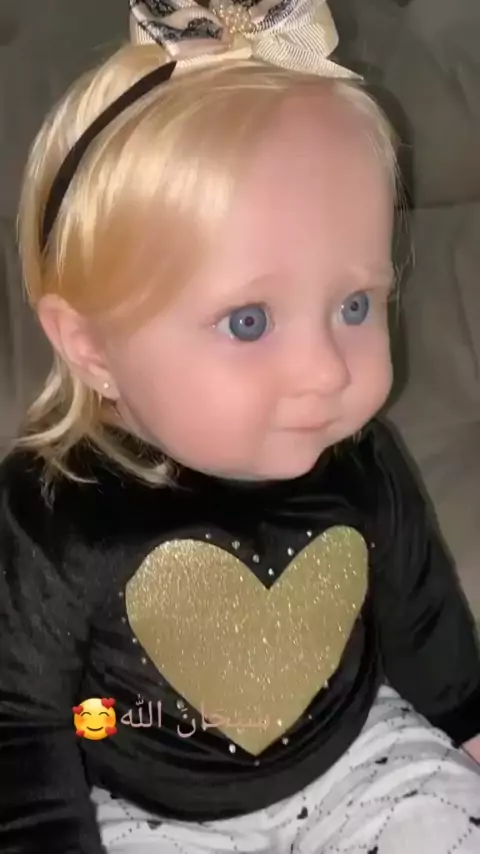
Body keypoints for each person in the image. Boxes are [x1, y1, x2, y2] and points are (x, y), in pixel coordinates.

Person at [1, 1, 480, 852]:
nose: (326, 370)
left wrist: (470, 724)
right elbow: (22, 723)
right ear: (92, 347)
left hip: (359, 757)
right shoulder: (51, 512)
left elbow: (421, 613)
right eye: (249, 321)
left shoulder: (359, 458)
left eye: (355, 304)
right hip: (137, 802)